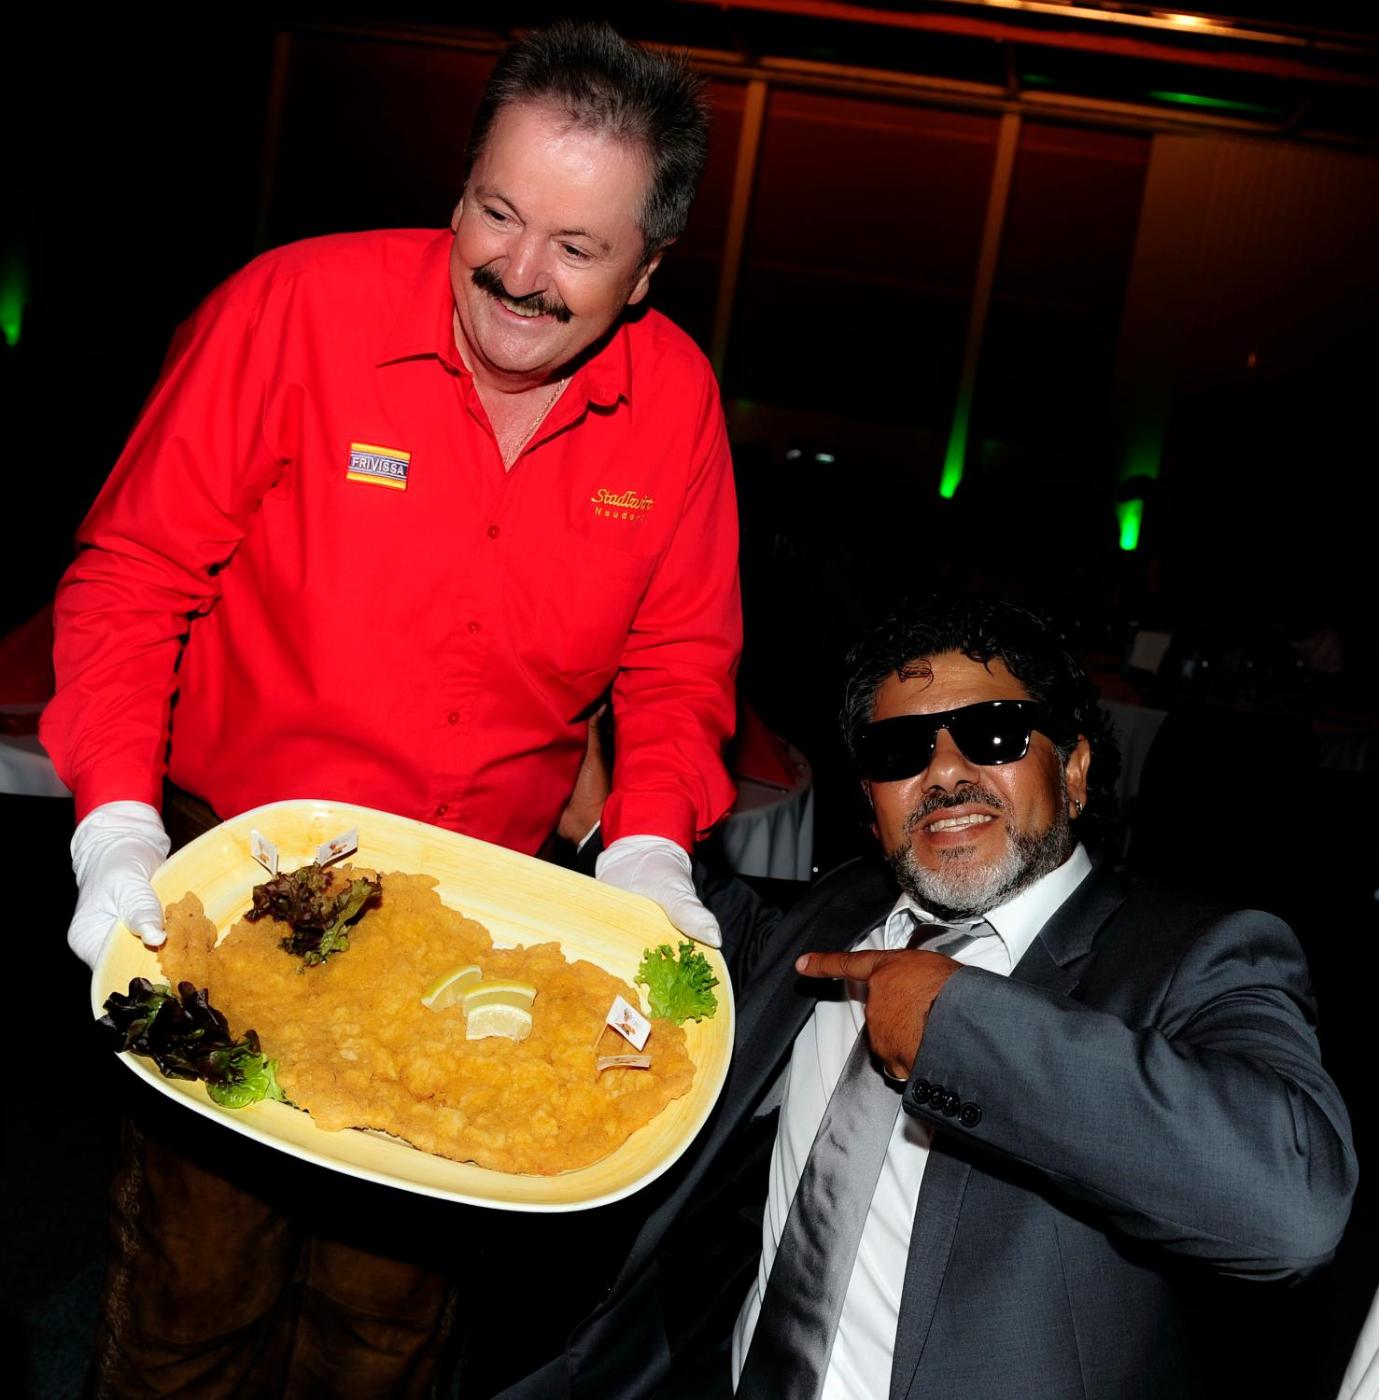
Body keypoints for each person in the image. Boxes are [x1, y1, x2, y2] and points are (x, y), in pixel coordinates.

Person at [43, 20, 739, 1395]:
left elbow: (675, 664)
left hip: (467, 927)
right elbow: (132, 576)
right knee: (190, 1295)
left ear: (648, 269)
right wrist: (114, 826)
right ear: (461, 185)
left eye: (577, 248)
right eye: (496, 211)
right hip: (239, 893)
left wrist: (651, 847)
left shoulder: (674, 404)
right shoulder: (293, 307)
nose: (517, 272)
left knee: (384, 1333)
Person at [500, 592, 1357, 1399]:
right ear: (870, 803)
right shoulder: (845, 907)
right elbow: (740, 948)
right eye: (898, 751)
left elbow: (1291, 1209)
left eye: (993, 734)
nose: (945, 773)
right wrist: (608, 832)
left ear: (1075, 770)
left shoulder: (1193, 955)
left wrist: (958, 1026)